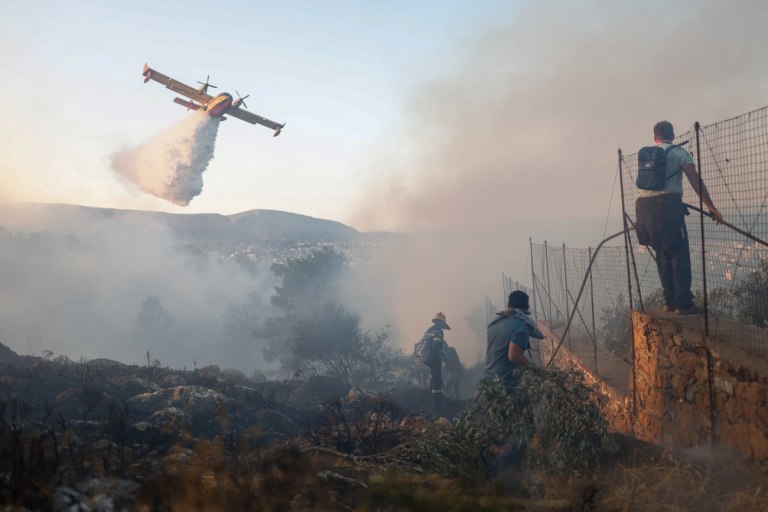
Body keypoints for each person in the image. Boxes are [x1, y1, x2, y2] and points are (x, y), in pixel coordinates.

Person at [635, 121, 724, 315]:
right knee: (678, 253)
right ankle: (683, 304)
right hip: (667, 209)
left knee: (662, 254)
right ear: (673, 135)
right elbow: (695, 180)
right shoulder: (679, 153)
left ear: (655, 137)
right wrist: (711, 206)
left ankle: (669, 301)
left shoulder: (646, 156)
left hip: (643, 212)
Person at [484, 291, 543, 392]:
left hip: (488, 381)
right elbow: (514, 356)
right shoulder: (521, 327)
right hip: (506, 385)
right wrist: (536, 370)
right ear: (527, 307)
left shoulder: (493, 324)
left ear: (508, 305)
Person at [423, 312, 450, 407]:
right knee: (437, 380)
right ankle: (436, 406)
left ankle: (433, 400)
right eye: (442, 323)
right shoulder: (438, 331)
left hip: (427, 358)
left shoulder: (430, 330)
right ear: (440, 322)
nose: (443, 326)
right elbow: (436, 346)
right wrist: (443, 355)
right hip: (435, 359)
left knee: (433, 377)